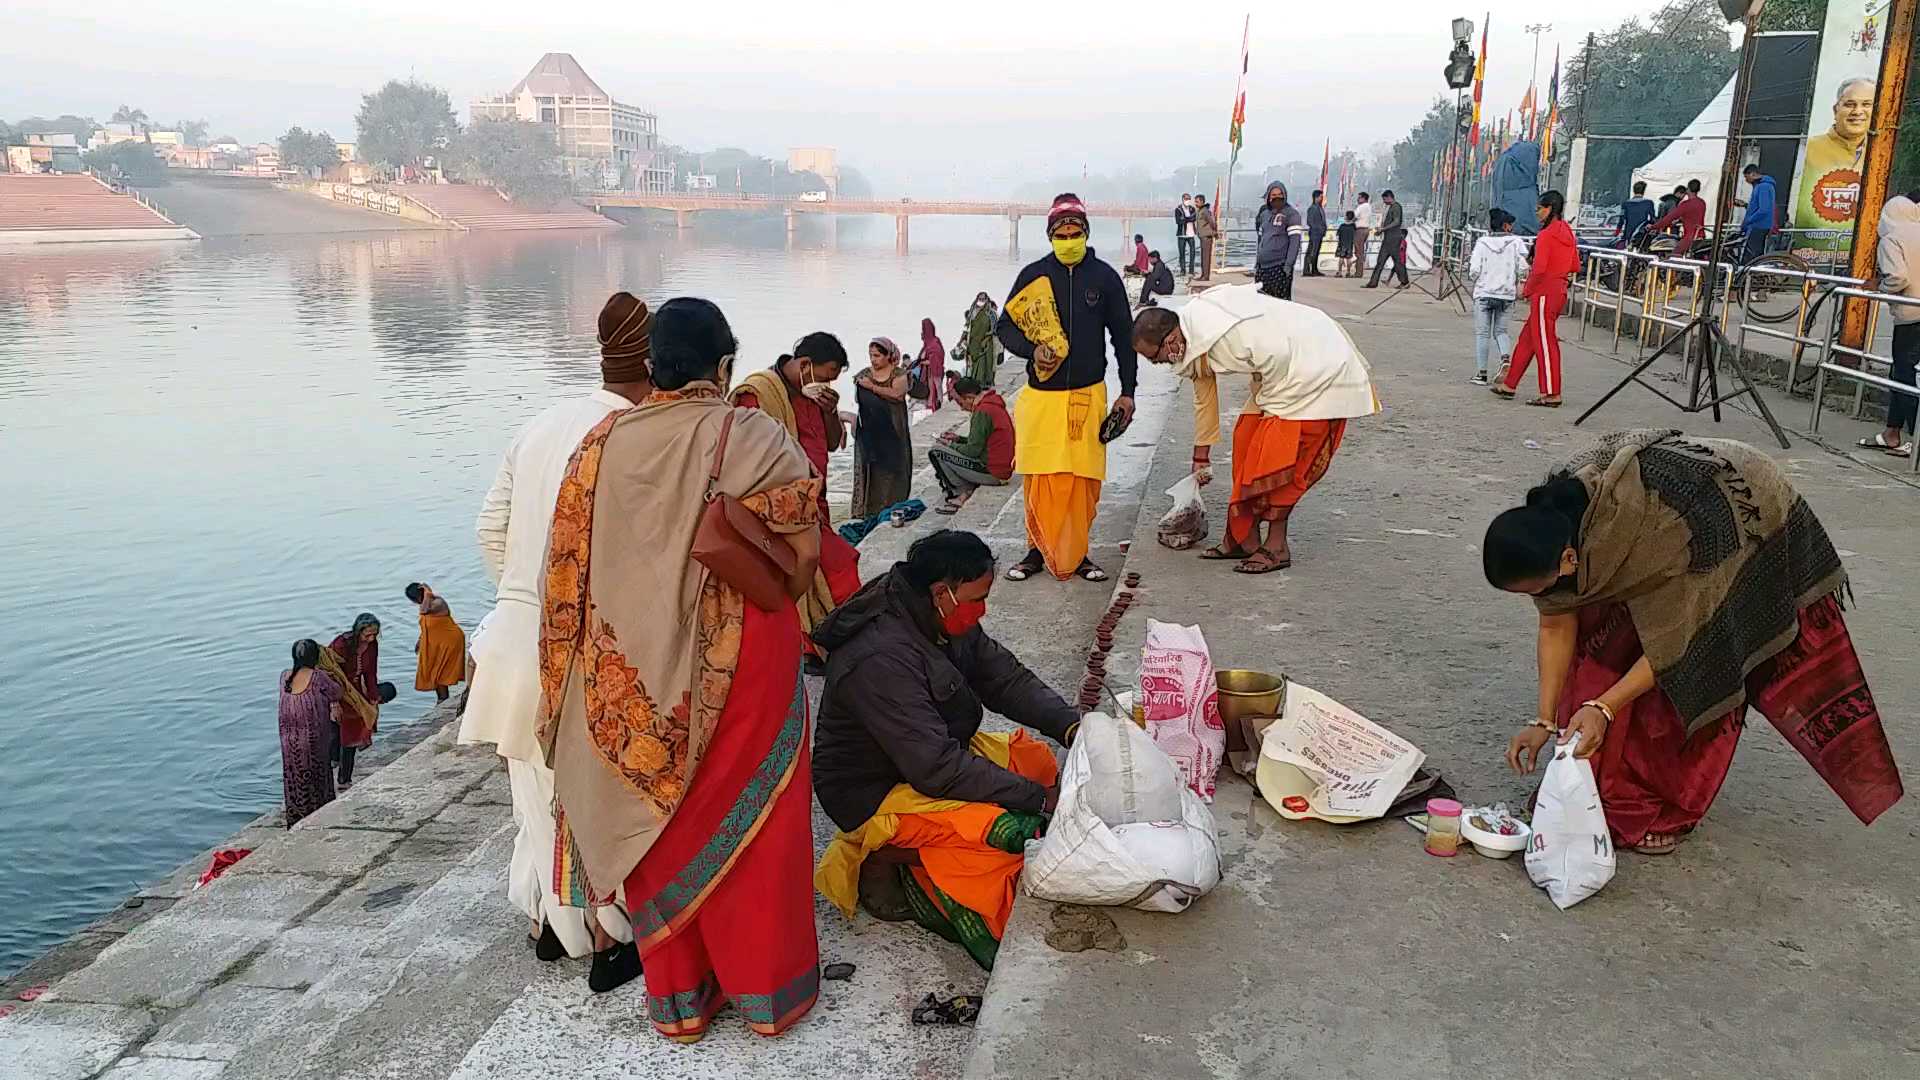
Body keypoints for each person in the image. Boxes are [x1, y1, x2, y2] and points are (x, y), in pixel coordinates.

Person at [541, 296, 824, 1042]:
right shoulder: (749, 433)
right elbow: (800, 556)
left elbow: (566, 575)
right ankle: (765, 994)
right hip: (742, 663)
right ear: (724, 365)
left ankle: (682, 1003)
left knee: (657, 823)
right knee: (758, 831)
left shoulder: (598, 445)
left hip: (626, 673)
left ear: (649, 366)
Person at [1483, 430, 1903, 856]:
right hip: (1662, 514)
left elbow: (1676, 641)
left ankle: (1665, 802)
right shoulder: (1553, 521)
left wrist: (1604, 706)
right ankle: (1599, 787)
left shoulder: (1664, 540)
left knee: (1691, 670)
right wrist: (1543, 721)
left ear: (1569, 559)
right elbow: (1556, 623)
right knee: (1601, 649)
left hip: (1735, 507)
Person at [466, 291, 651, 974]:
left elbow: (489, 530)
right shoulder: (637, 435)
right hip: (578, 651)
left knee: (534, 802)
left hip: (510, 644)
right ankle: (601, 938)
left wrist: (519, 602)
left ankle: (549, 920)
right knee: (590, 803)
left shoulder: (542, 422)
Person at [811, 530, 1078, 970]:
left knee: (1036, 760)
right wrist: (1035, 800)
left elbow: (1004, 679)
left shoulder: (938, 616)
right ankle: (881, 865)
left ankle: (926, 855)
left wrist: (1071, 726)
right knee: (1006, 830)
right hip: (874, 791)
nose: (983, 610)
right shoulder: (881, 656)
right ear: (943, 592)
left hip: (927, 754)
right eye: (977, 599)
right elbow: (936, 769)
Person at [1131, 287, 1378, 574]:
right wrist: (1201, 457)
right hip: (1281, 373)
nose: (1156, 363)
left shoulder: (1228, 334)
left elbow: (1278, 353)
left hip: (1316, 366)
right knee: (1246, 438)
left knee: (1275, 459)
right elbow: (1204, 394)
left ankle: (1276, 547)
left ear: (1171, 339)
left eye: (1154, 356)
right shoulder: (1189, 339)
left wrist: (1272, 410)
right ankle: (1243, 537)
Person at [995, 193, 1138, 583]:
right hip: (1042, 398)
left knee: (1082, 480)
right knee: (1040, 479)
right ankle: (1034, 551)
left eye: (1076, 233)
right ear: (1051, 236)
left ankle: (1080, 554)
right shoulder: (1033, 276)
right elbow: (1003, 326)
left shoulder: (1105, 278)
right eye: (1062, 234)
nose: (1069, 239)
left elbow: (1124, 338)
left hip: (1087, 395)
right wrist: (1032, 349)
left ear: (1086, 233)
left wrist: (1128, 392)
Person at [732, 334, 864, 668]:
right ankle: (809, 646)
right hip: (777, 506)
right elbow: (744, 452)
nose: (825, 384)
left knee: (834, 567)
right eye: (824, 376)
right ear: (805, 365)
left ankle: (821, 640)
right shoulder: (759, 392)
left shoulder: (817, 399)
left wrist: (831, 412)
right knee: (821, 567)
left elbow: (833, 444)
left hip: (814, 501)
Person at [1493, 191, 1578, 407]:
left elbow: (1539, 269)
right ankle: (1510, 383)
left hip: (1544, 292)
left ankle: (1551, 392)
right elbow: (1575, 265)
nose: (1537, 213)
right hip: (1558, 289)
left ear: (1549, 208)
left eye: (1539, 209)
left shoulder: (1547, 235)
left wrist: (1527, 290)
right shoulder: (1567, 231)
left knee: (1545, 343)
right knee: (1528, 339)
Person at [1862, 191, 1920, 456]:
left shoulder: (1891, 239)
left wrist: (1881, 286)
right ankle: (1892, 432)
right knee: (1902, 373)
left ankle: (1914, 439)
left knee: (1903, 376)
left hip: (1910, 316)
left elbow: (1898, 278)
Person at [1796, 77, 1874, 230]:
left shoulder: (1883, 154)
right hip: (1812, 245)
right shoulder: (1809, 149)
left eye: (1866, 104)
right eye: (1849, 104)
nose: (1857, 112)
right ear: (1835, 110)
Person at [279, 639, 343, 827]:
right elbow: (337, 692)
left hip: (288, 738)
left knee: (294, 774)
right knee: (317, 772)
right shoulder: (318, 676)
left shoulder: (284, 676)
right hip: (312, 738)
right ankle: (318, 813)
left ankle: (296, 815)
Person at [929, 376, 1014, 513]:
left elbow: (973, 450)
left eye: (960, 402)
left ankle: (960, 492)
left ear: (969, 397)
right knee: (946, 449)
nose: (961, 408)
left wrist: (950, 445)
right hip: (1002, 468)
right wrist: (958, 439)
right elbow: (981, 441)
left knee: (937, 451)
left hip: (994, 472)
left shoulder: (982, 411)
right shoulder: (992, 405)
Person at [852, 337, 914, 519]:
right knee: (873, 468)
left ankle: (894, 505)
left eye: (877, 356)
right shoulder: (864, 375)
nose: (873, 360)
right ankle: (870, 511)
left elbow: (897, 395)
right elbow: (859, 399)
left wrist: (872, 387)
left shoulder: (898, 374)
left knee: (894, 466)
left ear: (888, 356)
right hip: (871, 430)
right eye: (871, 355)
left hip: (894, 427)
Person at [325, 614, 386, 790]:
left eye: (374, 634)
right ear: (358, 631)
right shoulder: (342, 644)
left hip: (357, 692)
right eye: (367, 635)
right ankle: (333, 767)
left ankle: (344, 779)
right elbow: (330, 672)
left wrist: (373, 696)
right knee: (336, 733)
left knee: (349, 736)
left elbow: (371, 673)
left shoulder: (372, 645)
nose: (371, 638)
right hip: (337, 690)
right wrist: (334, 702)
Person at [1469, 208, 1529, 386]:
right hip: (1506, 295)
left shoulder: (1482, 242)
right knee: (1501, 332)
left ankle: (1481, 374)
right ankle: (1505, 358)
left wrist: (1478, 280)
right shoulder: (1516, 242)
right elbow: (1523, 268)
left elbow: (1474, 270)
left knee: (1482, 334)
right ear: (1505, 225)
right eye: (1510, 224)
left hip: (1484, 293)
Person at [403, 582, 465, 703]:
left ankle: (443, 700)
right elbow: (427, 626)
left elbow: (424, 610)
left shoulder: (437, 602)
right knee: (434, 673)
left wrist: (428, 591)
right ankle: (441, 700)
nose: (416, 603)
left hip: (449, 641)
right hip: (435, 643)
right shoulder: (425, 604)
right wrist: (420, 641)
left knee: (440, 673)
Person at [1253, 181, 1303, 300]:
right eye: (1273, 195)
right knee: (1262, 303)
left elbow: (1295, 243)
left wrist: (1288, 265)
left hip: (1280, 267)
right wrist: (1257, 263)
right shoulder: (1264, 215)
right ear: (1269, 197)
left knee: (1280, 304)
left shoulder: (1292, 215)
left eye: (1279, 194)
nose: (1276, 198)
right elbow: (1261, 240)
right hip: (1262, 268)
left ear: (1284, 195)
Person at [1365, 189, 1409, 288]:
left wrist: (1383, 229)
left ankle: (1404, 281)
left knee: (1397, 262)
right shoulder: (1391, 207)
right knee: (1380, 261)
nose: (1384, 202)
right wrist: (1382, 230)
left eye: (1384, 199)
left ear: (1389, 197)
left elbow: (1396, 222)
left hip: (1394, 239)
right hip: (1388, 239)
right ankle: (1373, 282)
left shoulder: (1396, 207)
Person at [1649, 178, 1706, 255]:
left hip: (1689, 238)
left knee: (1673, 257)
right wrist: (1681, 219)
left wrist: (1653, 226)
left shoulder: (1685, 205)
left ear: (1688, 190)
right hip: (1701, 237)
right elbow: (1693, 216)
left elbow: (1668, 218)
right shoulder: (1702, 203)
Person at [1738, 163, 1778, 265]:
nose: (1746, 181)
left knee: (1750, 258)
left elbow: (1763, 209)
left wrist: (1749, 220)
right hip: (1761, 226)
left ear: (1752, 174)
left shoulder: (1763, 187)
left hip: (1757, 226)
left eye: (1746, 177)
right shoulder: (1766, 186)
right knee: (1755, 257)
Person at [961, 292, 1002, 384]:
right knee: (973, 364)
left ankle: (987, 382)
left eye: (983, 299)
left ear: (987, 300)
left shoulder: (991, 314)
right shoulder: (973, 312)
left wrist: (985, 340)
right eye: (980, 299)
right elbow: (967, 327)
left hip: (986, 343)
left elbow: (995, 329)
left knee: (987, 364)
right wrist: (962, 340)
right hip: (973, 343)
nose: (981, 301)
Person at [916, 317, 946, 412]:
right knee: (933, 389)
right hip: (930, 371)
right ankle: (934, 405)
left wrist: (925, 362)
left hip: (935, 370)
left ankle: (938, 404)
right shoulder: (930, 343)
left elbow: (936, 358)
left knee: (936, 388)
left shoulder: (934, 344)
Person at [1617, 180, 1656, 250]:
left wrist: (1617, 232)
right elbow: (1653, 219)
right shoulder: (1649, 203)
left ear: (1633, 190)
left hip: (1628, 233)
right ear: (1643, 191)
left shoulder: (1625, 203)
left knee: (1628, 251)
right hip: (1642, 233)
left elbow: (1621, 220)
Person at [1303, 189, 1328, 277]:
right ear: (1316, 197)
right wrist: (1318, 228)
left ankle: (1314, 269)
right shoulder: (1312, 208)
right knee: (1311, 252)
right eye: (1321, 197)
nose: (1322, 198)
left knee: (1316, 252)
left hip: (1319, 233)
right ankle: (1306, 270)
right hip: (1315, 233)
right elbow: (1309, 221)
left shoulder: (1320, 208)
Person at [1194, 195, 1219, 282]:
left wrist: (1214, 232)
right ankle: (1203, 274)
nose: (1195, 203)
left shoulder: (1205, 211)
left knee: (1206, 257)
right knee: (1203, 257)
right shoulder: (1200, 211)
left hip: (1207, 237)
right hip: (1202, 236)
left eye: (1197, 201)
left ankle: (1206, 276)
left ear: (1202, 202)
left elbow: (1212, 222)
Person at [1351, 192, 1375, 278]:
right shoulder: (1369, 206)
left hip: (1360, 230)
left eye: (1359, 198)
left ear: (1364, 198)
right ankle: (1358, 271)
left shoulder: (1361, 207)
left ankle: (1358, 272)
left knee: (1359, 251)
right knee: (1360, 250)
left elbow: (1354, 216)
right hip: (1366, 229)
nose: (1358, 199)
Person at [1175, 193, 1198, 276]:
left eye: (1189, 199)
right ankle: (1183, 270)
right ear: (1183, 199)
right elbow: (1178, 221)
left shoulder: (1192, 209)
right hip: (1182, 234)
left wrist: (1185, 219)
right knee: (1182, 253)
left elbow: (1194, 218)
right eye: (1186, 199)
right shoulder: (1178, 209)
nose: (1187, 200)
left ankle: (1191, 270)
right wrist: (1189, 219)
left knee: (1193, 253)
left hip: (1191, 234)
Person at [1335, 211, 1358, 277]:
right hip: (1349, 245)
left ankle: (1339, 272)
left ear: (1346, 217)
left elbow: (1337, 234)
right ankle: (1348, 272)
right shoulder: (1353, 227)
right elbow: (1355, 235)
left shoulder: (1342, 226)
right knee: (1349, 258)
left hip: (1341, 244)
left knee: (1341, 258)